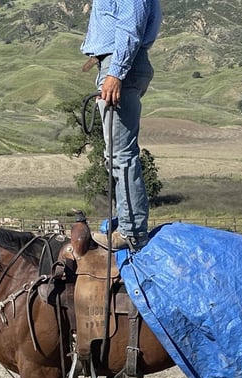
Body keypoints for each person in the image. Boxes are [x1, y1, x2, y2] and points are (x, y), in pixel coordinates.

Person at [81, 0, 162, 252]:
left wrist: (115, 73)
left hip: (121, 63)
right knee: (116, 153)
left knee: (121, 155)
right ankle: (127, 221)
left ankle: (132, 232)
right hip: (119, 63)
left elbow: (131, 26)